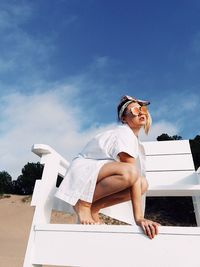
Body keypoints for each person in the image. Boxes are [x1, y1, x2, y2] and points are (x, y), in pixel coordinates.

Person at [55, 95, 160, 239]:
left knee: (142, 184)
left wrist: (140, 218)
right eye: (135, 110)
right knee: (131, 173)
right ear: (124, 119)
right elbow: (131, 172)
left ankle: (94, 208)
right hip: (84, 170)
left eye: (142, 109)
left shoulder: (133, 139)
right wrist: (139, 219)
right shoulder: (124, 133)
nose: (141, 112)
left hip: (98, 172)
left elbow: (136, 181)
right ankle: (83, 204)